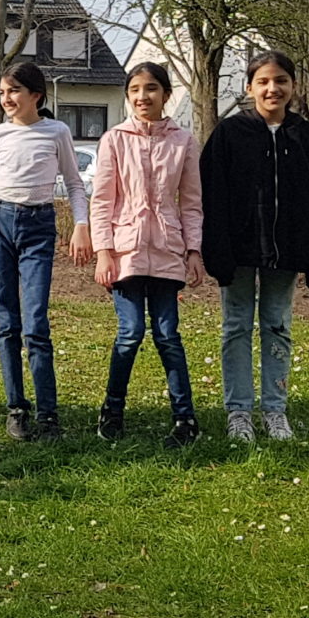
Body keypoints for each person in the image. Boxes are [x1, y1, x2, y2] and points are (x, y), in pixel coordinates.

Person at [199, 49, 309, 443]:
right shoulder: (229, 133)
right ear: (249, 88)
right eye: (263, 82)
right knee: (236, 327)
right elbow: (212, 193)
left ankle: (275, 410)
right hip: (238, 249)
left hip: (285, 250)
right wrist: (216, 248)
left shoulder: (304, 133)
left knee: (278, 326)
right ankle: (239, 411)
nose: (272, 89)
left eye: (281, 81)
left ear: (293, 86)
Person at [0, 62, 91, 441]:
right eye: (3, 92)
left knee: (35, 323)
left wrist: (81, 225)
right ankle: (16, 407)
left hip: (38, 226)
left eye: (14, 91)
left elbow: (75, 183)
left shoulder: (56, 131)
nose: (7, 99)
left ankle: (48, 414)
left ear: (36, 95)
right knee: (7, 324)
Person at [89, 63, 203, 447]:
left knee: (168, 335)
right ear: (127, 95)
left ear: (166, 94)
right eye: (135, 89)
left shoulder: (183, 142)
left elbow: (191, 203)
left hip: (168, 252)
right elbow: (102, 201)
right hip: (126, 253)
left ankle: (185, 417)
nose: (143, 96)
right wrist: (104, 252)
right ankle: (112, 410)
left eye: (151, 88)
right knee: (130, 332)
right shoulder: (114, 140)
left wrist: (193, 250)